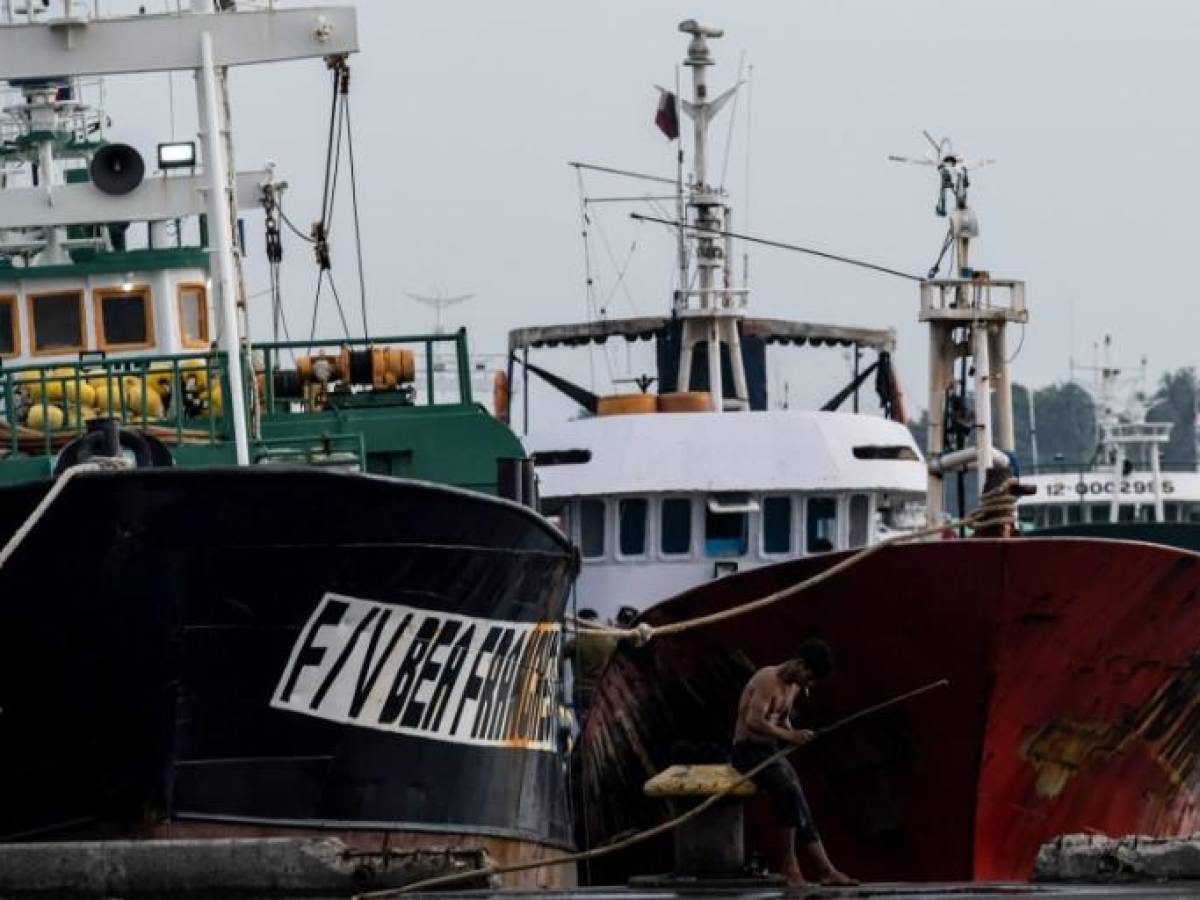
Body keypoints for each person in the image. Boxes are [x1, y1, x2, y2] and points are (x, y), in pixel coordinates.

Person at [731, 638, 856, 887]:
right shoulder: (768, 679)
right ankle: (790, 864)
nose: (808, 684)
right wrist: (789, 736)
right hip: (746, 752)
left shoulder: (795, 686)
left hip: (769, 750)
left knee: (798, 799)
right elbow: (753, 722)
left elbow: (782, 719)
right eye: (808, 676)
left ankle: (825, 870)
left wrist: (797, 735)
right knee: (788, 790)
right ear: (799, 664)